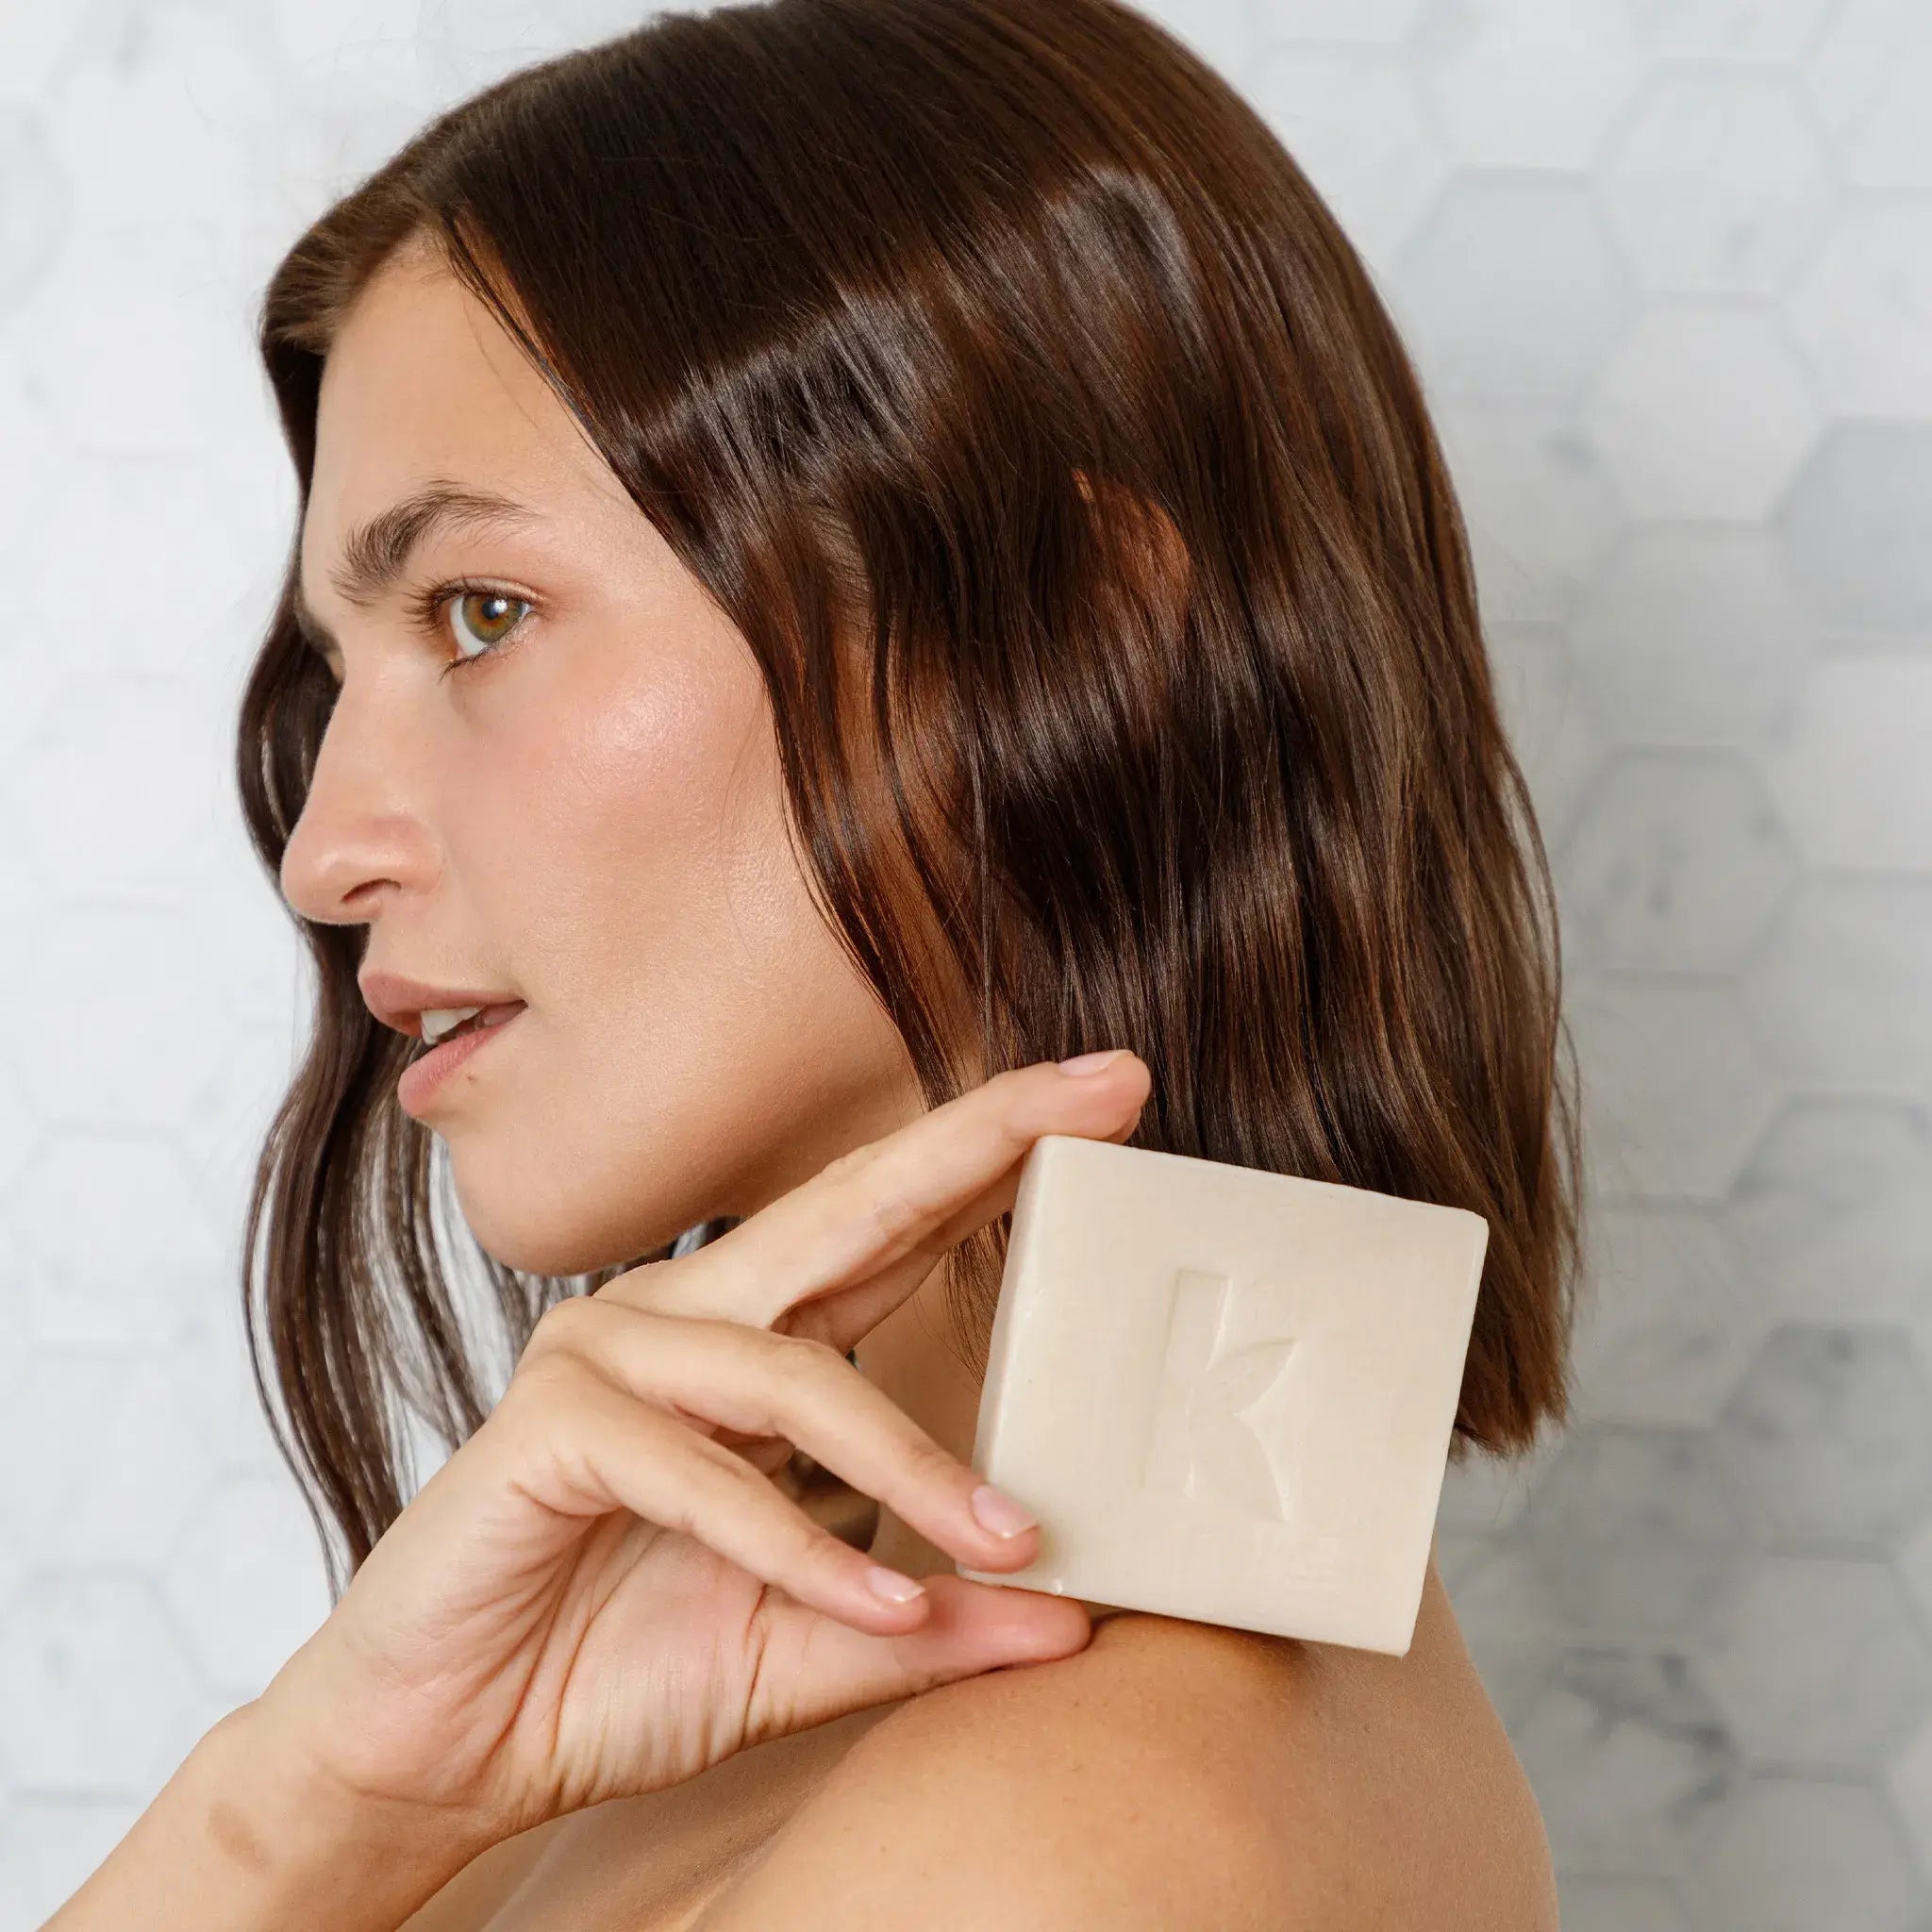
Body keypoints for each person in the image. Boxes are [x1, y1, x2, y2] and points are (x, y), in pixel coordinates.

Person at [48, 0, 1581, 1924]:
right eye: (338, 674)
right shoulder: (751, 1679)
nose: (329, 845)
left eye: (486, 611)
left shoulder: (1055, 1840)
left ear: (1076, 639)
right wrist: (319, 1799)